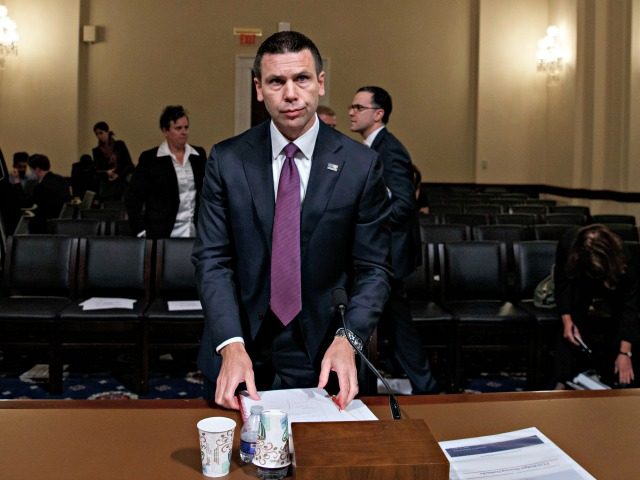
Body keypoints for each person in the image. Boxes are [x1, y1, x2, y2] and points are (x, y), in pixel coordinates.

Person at [193, 31, 391, 411]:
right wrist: (230, 343)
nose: (290, 93)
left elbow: (374, 269)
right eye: (275, 81)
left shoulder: (360, 165)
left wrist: (348, 339)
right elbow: (212, 260)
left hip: (326, 348)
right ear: (258, 88)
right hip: (242, 346)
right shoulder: (227, 160)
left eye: (301, 78)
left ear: (319, 82)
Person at [349, 86, 437, 393]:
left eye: (358, 108)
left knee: (396, 326)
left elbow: (403, 204)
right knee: (389, 326)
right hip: (383, 255)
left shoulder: (390, 149)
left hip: (391, 256)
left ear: (378, 114)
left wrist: (368, 221)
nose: (351, 112)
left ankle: (424, 387)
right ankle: (378, 385)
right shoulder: (374, 147)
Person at [553, 224, 639, 388]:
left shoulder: (626, 255)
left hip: (614, 284)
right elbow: (562, 283)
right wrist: (567, 319)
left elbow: (630, 306)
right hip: (579, 282)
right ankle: (562, 381)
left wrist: (625, 352)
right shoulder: (569, 242)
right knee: (570, 329)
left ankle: (611, 376)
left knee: (619, 331)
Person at [125, 105, 207, 238]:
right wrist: (140, 231)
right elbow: (133, 198)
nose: (184, 132)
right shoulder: (150, 159)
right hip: (161, 233)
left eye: (186, 128)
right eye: (178, 128)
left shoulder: (198, 155)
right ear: (165, 131)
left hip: (195, 231)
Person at [27, 154, 71, 233]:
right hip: (62, 224)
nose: (31, 173)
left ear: (37, 169)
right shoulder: (61, 180)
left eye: (31, 170)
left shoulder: (40, 187)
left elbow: (36, 208)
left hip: (46, 227)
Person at [92, 121, 133, 201]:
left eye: (101, 133)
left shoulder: (119, 145)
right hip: (107, 180)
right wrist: (107, 173)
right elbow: (97, 169)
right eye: (97, 134)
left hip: (121, 176)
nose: (99, 136)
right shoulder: (96, 151)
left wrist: (117, 174)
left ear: (107, 132)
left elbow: (127, 162)